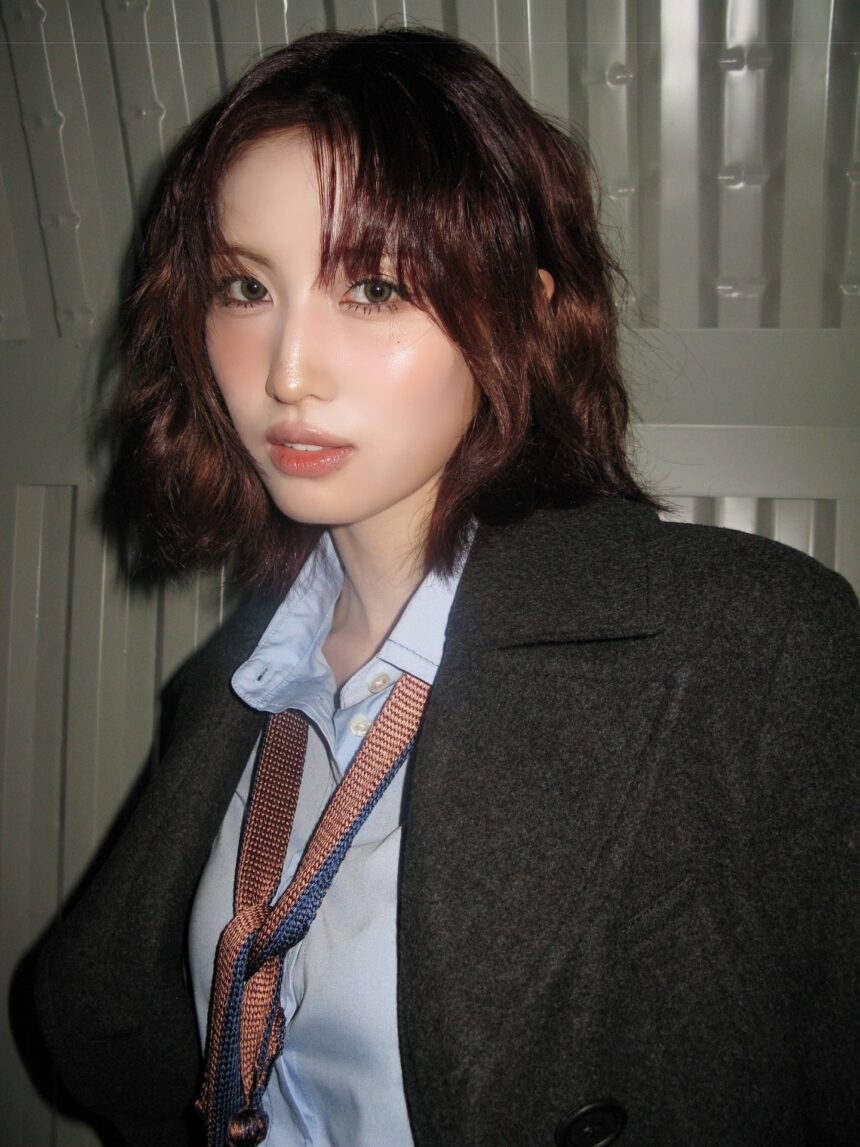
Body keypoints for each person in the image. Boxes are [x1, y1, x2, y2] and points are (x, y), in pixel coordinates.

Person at [29, 26, 859, 1147]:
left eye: (372, 287)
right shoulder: (234, 683)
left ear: (523, 311)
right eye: (245, 285)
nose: (286, 371)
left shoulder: (753, 648)